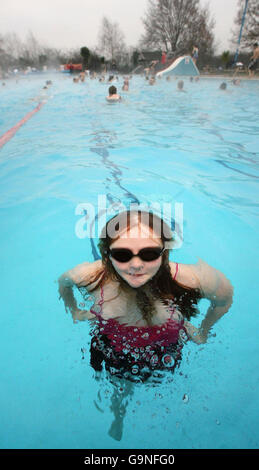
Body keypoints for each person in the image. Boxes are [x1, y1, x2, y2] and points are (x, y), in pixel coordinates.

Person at [58, 210, 233, 384]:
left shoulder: (191, 279)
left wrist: (203, 332)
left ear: (164, 253)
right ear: (107, 255)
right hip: (111, 346)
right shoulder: (92, 277)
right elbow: (64, 283)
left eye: (149, 254)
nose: (136, 265)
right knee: (117, 386)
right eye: (122, 255)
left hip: (164, 348)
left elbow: (225, 298)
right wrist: (75, 311)